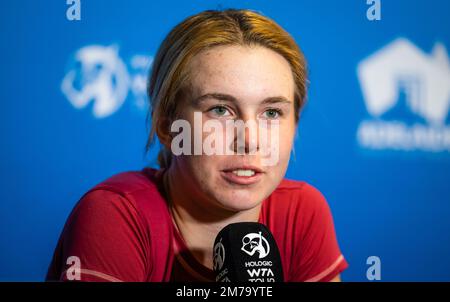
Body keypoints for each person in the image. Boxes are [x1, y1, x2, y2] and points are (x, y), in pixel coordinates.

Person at [46, 9, 348, 282]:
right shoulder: (116, 214)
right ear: (166, 126)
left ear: (294, 124)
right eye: (220, 110)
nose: (251, 141)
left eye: (271, 113)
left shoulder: (301, 211)